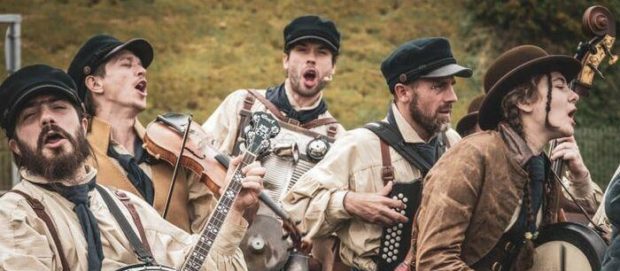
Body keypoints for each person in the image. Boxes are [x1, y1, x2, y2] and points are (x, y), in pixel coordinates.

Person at [0, 64, 264, 270]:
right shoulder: (13, 215)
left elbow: (198, 264)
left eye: (58, 108)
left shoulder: (125, 205)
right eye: (30, 116)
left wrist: (232, 210)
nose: (47, 119)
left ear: (82, 125)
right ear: (16, 146)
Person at [281, 37, 472, 271]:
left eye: (452, 85)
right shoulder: (359, 145)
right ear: (403, 92)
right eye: (439, 86)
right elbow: (291, 211)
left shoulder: (454, 144)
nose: (452, 97)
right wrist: (347, 202)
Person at [414, 45, 601, 270]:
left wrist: (581, 176)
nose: (574, 96)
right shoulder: (471, 156)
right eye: (561, 86)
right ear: (525, 101)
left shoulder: (541, 169)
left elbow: (600, 223)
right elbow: (433, 261)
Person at [202, 15, 346, 270]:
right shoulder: (242, 105)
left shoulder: (339, 140)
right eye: (301, 50)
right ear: (285, 60)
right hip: (224, 248)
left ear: (332, 68)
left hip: (286, 260)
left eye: (322, 53)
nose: (311, 58)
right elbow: (202, 160)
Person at [68, 34, 214, 233]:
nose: (142, 71)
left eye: (141, 65)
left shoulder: (177, 149)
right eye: (127, 65)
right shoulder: (74, 159)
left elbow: (208, 227)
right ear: (95, 84)